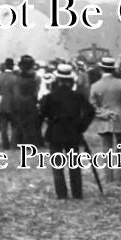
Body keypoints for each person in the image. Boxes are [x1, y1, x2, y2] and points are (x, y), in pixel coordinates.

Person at [39, 64, 94, 199]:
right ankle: (77, 192)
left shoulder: (50, 97)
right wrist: (81, 126)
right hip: (72, 131)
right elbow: (90, 112)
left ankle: (61, 193)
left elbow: (42, 114)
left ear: (58, 79)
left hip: (55, 131)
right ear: (70, 80)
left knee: (57, 165)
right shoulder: (77, 96)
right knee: (74, 164)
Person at [89, 56, 121, 183]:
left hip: (104, 120)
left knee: (106, 148)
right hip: (120, 117)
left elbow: (92, 105)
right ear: (113, 69)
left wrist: (103, 113)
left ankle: (108, 176)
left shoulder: (95, 86)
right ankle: (120, 174)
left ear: (101, 69)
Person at [12, 55, 42, 146]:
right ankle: (33, 141)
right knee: (31, 124)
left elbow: (16, 91)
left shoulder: (17, 77)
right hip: (31, 101)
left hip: (20, 101)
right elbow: (36, 91)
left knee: (19, 123)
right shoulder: (36, 77)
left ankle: (18, 142)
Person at [0, 58, 18, 149]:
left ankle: (5, 144)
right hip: (13, 104)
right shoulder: (15, 78)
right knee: (14, 126)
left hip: (1, 104)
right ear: (12, 66)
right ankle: (13, 144)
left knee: (3, 127)